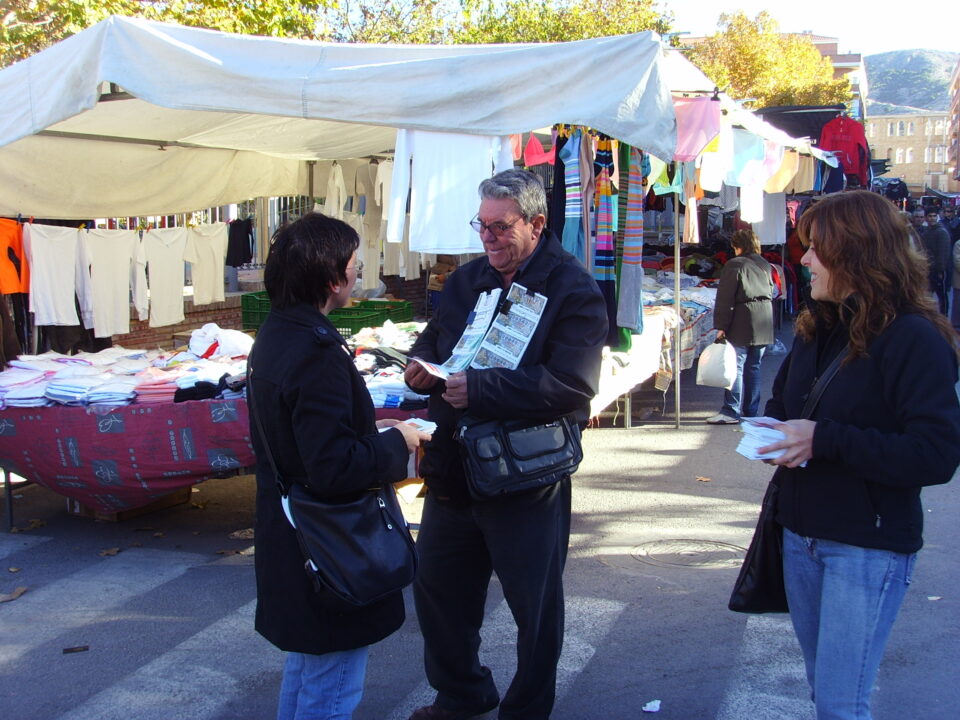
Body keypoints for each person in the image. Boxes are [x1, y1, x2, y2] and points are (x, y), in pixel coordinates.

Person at [403, 169, 607, 720]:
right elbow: (432, 341)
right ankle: (463, 693)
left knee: (534, 609)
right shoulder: (467, 281)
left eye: (500, 226)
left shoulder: (573, 289)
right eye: (482, 225)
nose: (488, 237)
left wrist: (484, 389)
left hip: (525, 475)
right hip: (454, 471)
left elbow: (574, 383)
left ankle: (527, 709)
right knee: (439, 593)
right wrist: (420, 369)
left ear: (537, 224)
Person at [758, 190, 960, 720]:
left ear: (857, 253)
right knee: (823, 693)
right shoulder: (815, 326)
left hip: (865, 548)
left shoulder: (915, 338)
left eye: (816, 248)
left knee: (840, 704)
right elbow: (784, 403)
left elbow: (936, 455)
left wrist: (822, 439)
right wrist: (773, 432)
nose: (802, 260)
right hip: (800, 537)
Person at [246, 213, 430, 720]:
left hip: (296, 534)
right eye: (353, 264)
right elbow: (332, 466)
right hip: (328, 543)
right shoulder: (313, 350)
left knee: (311, 670)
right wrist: (399, 442)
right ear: (332, 278)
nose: (358, 272)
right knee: (332, 684)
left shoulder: (277, 336)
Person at [706, 228, 775, 424]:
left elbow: (725, 297)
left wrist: (721, 325)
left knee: (736, 366)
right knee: (754, 367)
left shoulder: (735, 264)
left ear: (738, 246)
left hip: (743, 318)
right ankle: (750, 411)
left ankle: (730, 410)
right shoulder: (764, 264)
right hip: (764, 317)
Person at [919, 207, 951, 314]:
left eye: (934, 216)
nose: (932, 218)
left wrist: (940, 270)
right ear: (926, 218)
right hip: (928, 268)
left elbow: (943, 253)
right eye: (929, 216)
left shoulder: (941, 232)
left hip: (938, 270)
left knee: (941, 296)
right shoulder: (927, 231)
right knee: (928, 296)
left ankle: (944, 317)